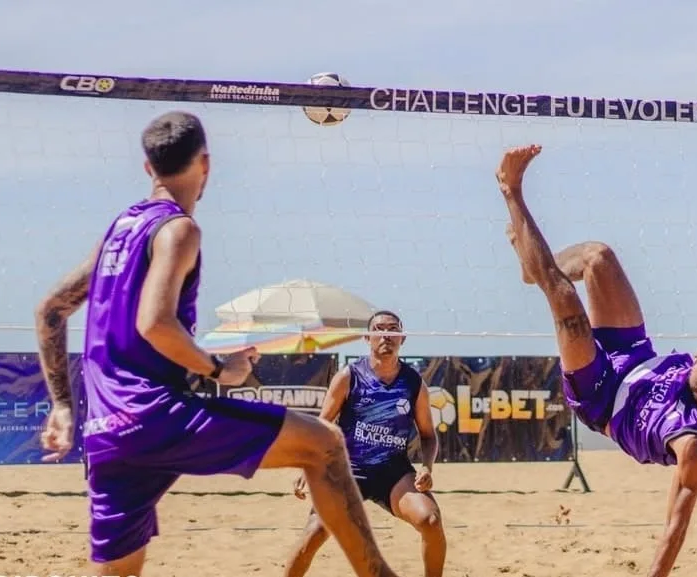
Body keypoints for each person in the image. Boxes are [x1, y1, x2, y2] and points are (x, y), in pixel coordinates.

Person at [33, 111, 401, 577]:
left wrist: (64, 406)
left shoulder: (117, 232)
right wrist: (219, 369)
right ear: (205, 163)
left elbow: (50, 309)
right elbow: (154, 323)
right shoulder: (178, 229)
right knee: (325, 445)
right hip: (155, 417)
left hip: (106, 432)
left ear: (148, 168)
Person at [496, 144, 697, 577]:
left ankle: (511, 190)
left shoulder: (695, 445)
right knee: (598, 256)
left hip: (602, 396)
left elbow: (676, 525)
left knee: (563, 299)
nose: (694, 356)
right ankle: (532, 264)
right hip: (634, 357)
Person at [284, 310, 446, 577]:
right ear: (367, 337)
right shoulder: (349, 376)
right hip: (348, 471)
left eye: (392, 329)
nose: (386, 335)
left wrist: (427, 467)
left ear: (402, 338)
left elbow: (428, 436)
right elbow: (322, 425)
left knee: (430, 520)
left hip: (393, 472)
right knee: (313, 535)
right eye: (379, 329)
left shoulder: (413, 382)